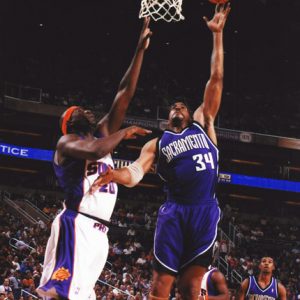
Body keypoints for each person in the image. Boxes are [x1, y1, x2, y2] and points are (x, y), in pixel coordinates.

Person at [90, 4, 230, 300]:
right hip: (175, 213)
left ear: (190, 113)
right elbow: (136, 172)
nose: (178, 107)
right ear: (168, 117)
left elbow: (215, 79)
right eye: (173, 106)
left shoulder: (204, 124)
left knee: (191, 288)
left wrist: (218, 35)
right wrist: (115, 174)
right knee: (160, 287)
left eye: (183, 105)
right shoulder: (156, 143)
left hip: (205, 210)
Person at [36, 17, 152, 300]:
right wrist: (123, 132)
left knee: (80, 295)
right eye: (78, 111)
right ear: (69, 123)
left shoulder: (100, 134)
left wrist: (139, 50)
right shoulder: (68, 143)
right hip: (77, 223)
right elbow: (97, 152)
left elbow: (124, 94)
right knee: (59, 294)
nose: (86, 111)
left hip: (99, 232)